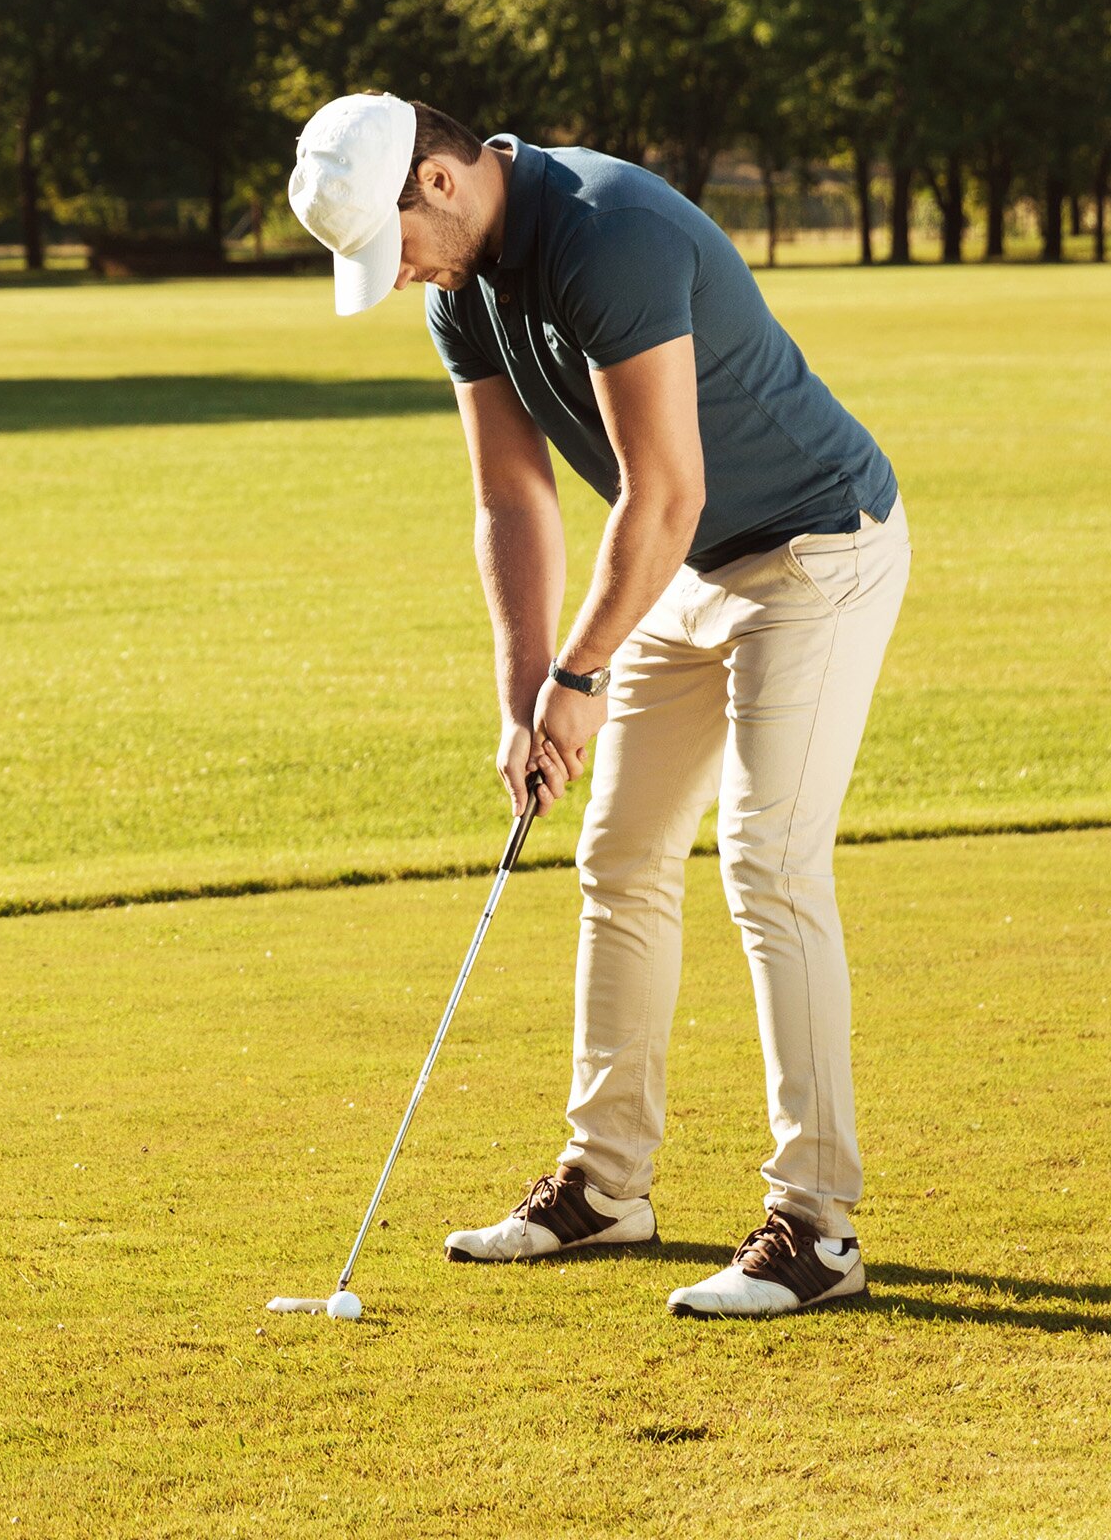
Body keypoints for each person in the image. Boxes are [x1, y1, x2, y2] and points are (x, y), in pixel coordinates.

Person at [289, 90, 912, 1318]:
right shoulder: (460, 288)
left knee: (765, 860)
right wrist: (527, 692)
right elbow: (512, 502)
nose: (402, 273)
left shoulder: (604, 228)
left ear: (441, 183)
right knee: (620, 858)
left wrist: (579, 677)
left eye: (397, 242)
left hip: (814, 552)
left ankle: (816, 1226)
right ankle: (606, 1186)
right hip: (689, 566)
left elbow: (663, 486)